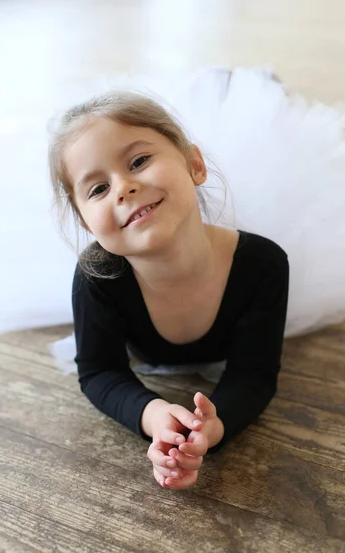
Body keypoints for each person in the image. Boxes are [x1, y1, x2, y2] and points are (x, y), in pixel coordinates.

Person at [48, 90, 290, 489]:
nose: (123, 188)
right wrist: (153, 414)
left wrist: (212, 429)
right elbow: (99, 372)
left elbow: (255, 375)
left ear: (195, 165)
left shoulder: (262, 265)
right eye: (97, 190)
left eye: (139, 162)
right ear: (88, 225)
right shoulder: (98, 278)